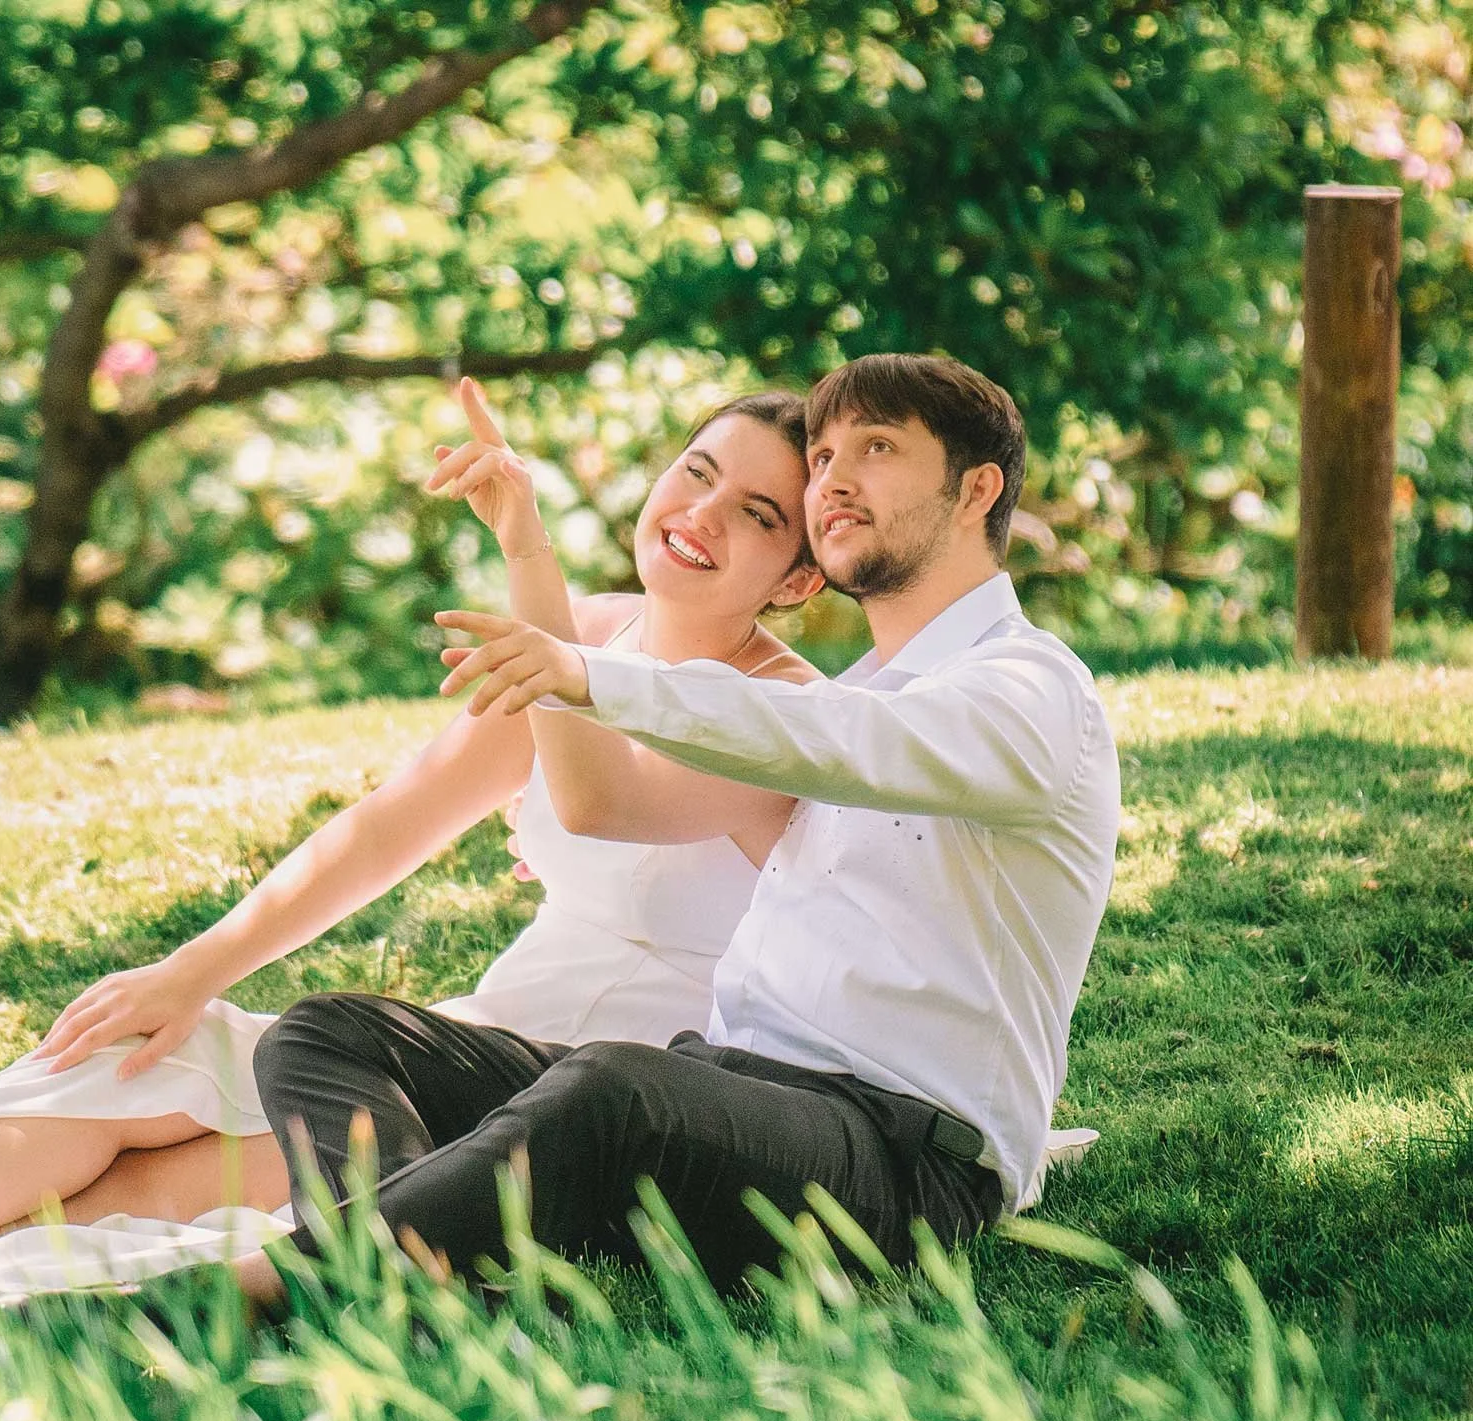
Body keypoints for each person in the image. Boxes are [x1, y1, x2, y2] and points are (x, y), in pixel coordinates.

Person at [0, 382, 829, 1302]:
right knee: (141, 1058)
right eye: (697, 471)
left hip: (586, 1098)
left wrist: (524, 546)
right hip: (470, 1032)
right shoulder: (591, 633)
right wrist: (189, 971)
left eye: (760, 515)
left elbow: (598, 797)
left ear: (801, 577)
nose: (702, 514)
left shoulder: (791, 716)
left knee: (151, 1191)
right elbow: (387, 826)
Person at [225, 352, 1121, 1305]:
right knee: (334, 1034)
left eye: (879, 446)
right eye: (822, 456)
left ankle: (262, 1291)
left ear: (975, 487)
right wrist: (534, 564)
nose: (835, 479)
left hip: (903, 1160)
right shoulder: (861, 695)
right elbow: (608, 800)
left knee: (614, 1090)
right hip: (729, 1099)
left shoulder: (1030, 690)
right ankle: (426, 1294)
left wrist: (594, 677)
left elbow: (843, 740)